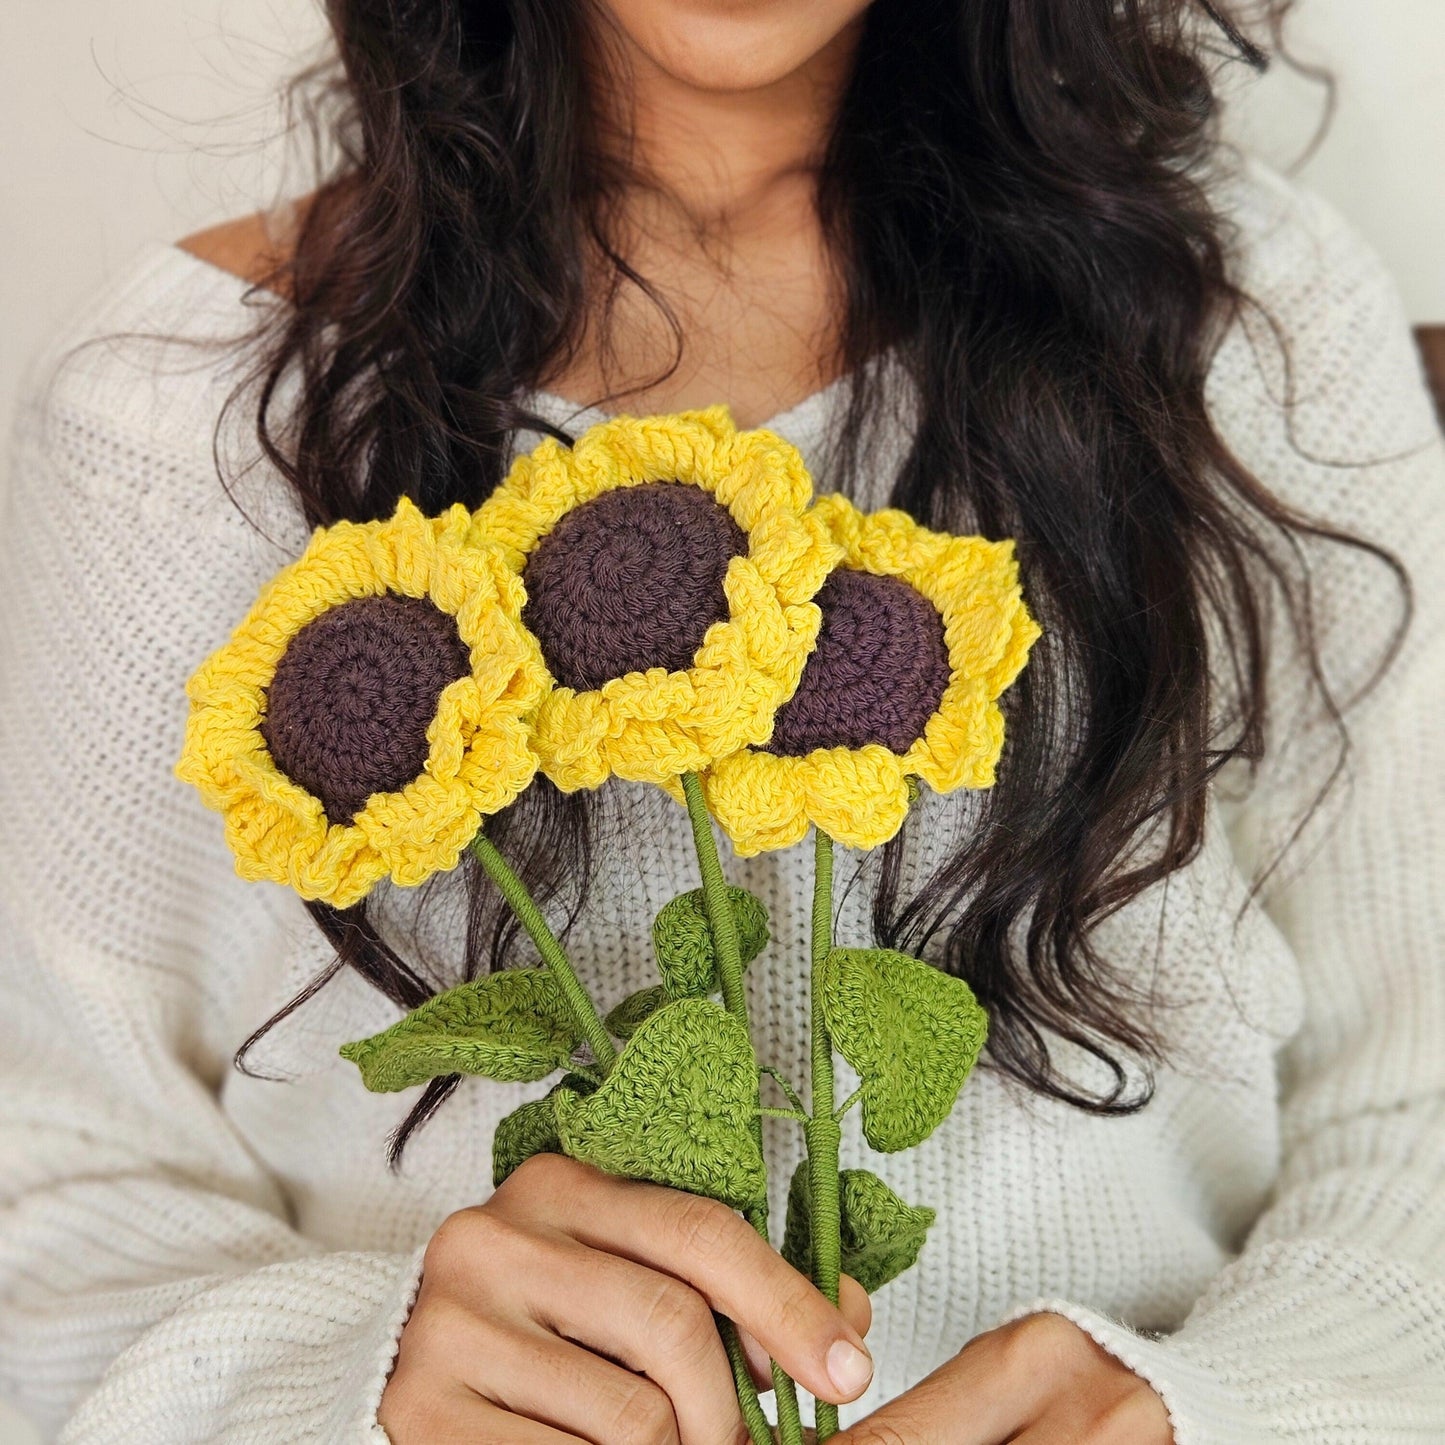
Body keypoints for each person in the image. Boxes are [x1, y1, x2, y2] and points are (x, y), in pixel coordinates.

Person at [2, 0, 1443, 1441]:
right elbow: (57, 1187)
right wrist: (342, 1393)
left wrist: (1231, 1407)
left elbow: (1415, 1090)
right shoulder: (166, 419)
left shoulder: (1249, 325)